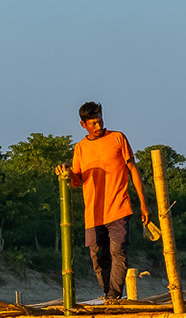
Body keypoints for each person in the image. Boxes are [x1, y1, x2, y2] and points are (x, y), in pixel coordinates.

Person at [56, 102, 154, 301]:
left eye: (100, 121)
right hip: (93, 214)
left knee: (118, 251)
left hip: (118, 207)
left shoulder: (117, 138)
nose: (98, 126)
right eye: (93, 123)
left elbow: (133, 171)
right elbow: (76, 180)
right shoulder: (80, 149)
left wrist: (143, 204)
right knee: (98, 258)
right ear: (83, 125)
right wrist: (66, 172)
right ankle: (108, 293)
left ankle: (114, 295)